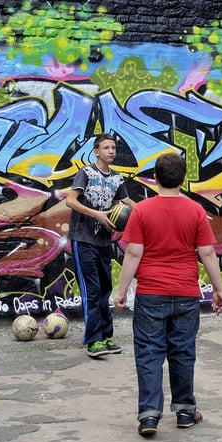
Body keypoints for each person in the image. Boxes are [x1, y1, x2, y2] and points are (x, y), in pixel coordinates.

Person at [112, 153, 222, 437]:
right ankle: (185, 410)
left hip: (151, 294)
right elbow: (207, 253)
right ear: (184, 179)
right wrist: (219, 289)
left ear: (155, 178)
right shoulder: (195, 211)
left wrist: (122, 290)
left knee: (149, 354)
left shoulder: (141, 211)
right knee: (183, 352)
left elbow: (134, 252)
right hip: (186, 294)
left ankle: (149, 416)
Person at [65, 133, 136, 359]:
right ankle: (93, 340)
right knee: (92, 291)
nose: (111, 151)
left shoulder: (117, 179)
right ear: (96, 152)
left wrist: (150, 210)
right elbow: (70, 201)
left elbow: (125, 203)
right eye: (106, 148)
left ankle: (106, 336)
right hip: (83, 239)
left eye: (113, 148)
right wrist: (96, 214)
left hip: (104, 241)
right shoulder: (85, 173)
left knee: (105, 289)